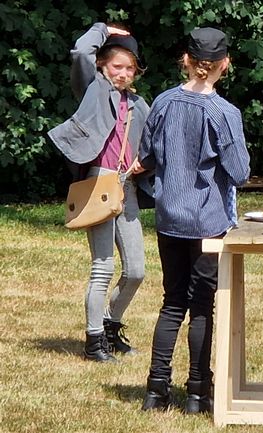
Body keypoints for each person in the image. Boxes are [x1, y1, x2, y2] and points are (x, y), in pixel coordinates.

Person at [138, 27, 250, 414]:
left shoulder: (163, 102)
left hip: (169, 216)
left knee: (172, 303)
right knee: (201, 306)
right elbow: (239, 172)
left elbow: (147, 156)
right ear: (225, 65)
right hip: (206, 223)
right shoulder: (225, 114)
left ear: (185, 61)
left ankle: (155, 392)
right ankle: (198, 394)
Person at [47, 23, 150, 362]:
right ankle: (94, 342)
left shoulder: (140, 105)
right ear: (103, 66)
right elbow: (80, 51)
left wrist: (145, 164)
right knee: (102, 267)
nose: (122, 73)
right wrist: (103, 29)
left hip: (128, 187)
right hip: (97, 183)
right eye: (116, 66)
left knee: (136, 269)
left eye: (129, 68)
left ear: (137, 72)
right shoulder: (94, 89)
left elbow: (153, 144)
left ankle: (110, 325)